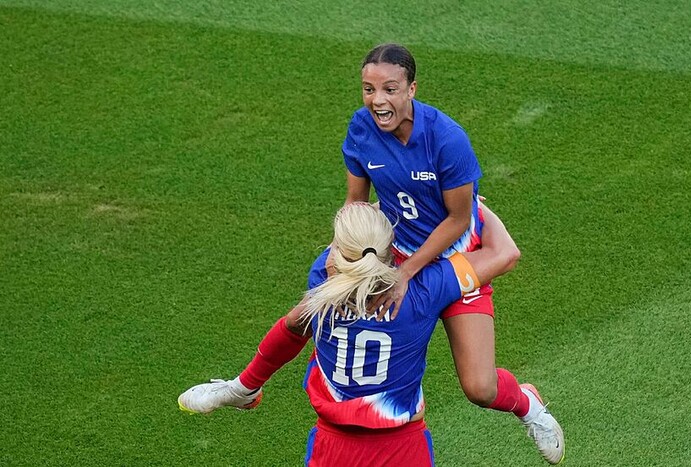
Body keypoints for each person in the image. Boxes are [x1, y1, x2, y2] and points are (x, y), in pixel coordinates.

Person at [181, 43, 565, 464]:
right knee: (306, 313)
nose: (377, 100)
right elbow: (356, 201)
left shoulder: (447, 139)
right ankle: (243, 388)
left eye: (389, 89)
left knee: (480, 388)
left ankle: (528, 404)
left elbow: (458, 220)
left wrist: (409, 273)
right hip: (391, 255)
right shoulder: (361, 130)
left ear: (411, 89)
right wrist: (341, 253)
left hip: (453, 255)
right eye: (368, 89)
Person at [179, 203, 562, 466]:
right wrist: (471, 207)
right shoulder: (424, 288)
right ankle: (243, 389)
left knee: (297, 322)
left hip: (333, 444)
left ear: (338, 254)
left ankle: (243, 389)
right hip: (403, 446)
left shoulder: (322, 281)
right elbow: (506, 252)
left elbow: (294, 326)